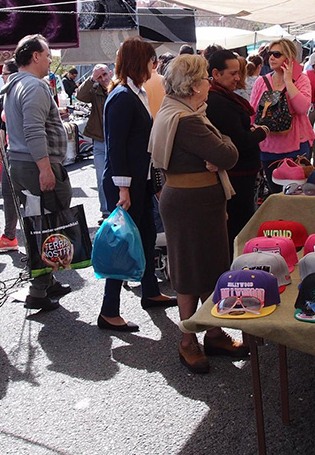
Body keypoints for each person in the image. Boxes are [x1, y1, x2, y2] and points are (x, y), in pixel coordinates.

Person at [150, 54, 244, 374]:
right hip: (192, 204)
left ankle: (213, 334)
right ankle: (188, 340)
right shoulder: (189, 120)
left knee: (204, 268)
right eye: (205, 78)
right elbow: (228, 154)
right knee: (192, 272)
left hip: (190, 202)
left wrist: (222, 147)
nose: (209, 83)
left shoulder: (175, 110)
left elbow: (222, 152)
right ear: (193, 85)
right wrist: (224, 145)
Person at [99, 38, 177, 332]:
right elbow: (115, 147)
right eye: (150, 60)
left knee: (144, 238)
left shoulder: (136, 92)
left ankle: (150, 291)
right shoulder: (121, 96)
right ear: (138, 61)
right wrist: (123, 189)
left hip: (137, 181)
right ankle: (109, 310)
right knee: (123, 245)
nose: (153, 65)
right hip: (125, 184)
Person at [1, 34, 74, 312]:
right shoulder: (32, 86)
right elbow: (33, 130)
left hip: (23, 163)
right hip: (34, 165)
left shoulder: (15, 84)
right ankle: (38, 290)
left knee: (40, 222)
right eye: (46, 55)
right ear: (34, 57)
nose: (49, 60)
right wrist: (45, 168)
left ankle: (47, 281)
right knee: (46, 225)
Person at [205, 50, 268, 252]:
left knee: (239, 222)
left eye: (238, 73)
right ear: (216, 73)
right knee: (238, 225)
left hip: (241, 172)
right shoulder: (217, 101)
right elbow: (239, 140)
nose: (238, 78)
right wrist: (261, 132)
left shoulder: (224, 97)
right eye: (232, 73)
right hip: (236, 174)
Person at [249, 39, 314, 191]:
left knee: (297, 196)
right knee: (275, 193)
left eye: (277, 54)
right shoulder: (261, 81)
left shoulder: (301, 79)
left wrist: (288, 82)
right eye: (269, 54)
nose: (271, 58)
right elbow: (252, 113)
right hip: (268, 146)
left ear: (289, 57)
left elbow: (302, 108)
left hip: (296, 146)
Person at [0, 60, 21, 251]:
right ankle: (9, 236)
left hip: (24, 154)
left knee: (29, 196)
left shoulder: (24, 92)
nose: (2, 76)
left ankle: (40, 239)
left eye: (5, 73)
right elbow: (2, 125)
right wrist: (0, 146)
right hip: (9, 150)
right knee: (7, 193)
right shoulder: (4, 95)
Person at [75, 63, 111, 222]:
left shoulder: (118, 87)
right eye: (99, 76)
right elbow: (80, 96)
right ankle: (105, 211)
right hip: (100, 139)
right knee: (101, 177)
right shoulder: (95, 90)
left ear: (110, 73)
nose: (103, 79)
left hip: (116, 139)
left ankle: (120, 209)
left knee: (119, 176)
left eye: (105, 74)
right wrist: (91, 79)